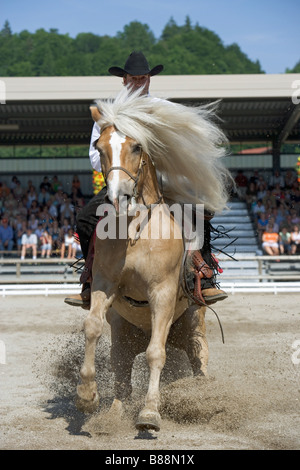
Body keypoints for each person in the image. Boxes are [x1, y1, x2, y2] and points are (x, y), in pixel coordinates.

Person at [64, 51, 228, 308]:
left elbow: (186, 145)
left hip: (163, 181)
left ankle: (203, 275)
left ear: (149, 79)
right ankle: (89, 280)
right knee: (85, 218)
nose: (138, 82)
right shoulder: (107, 114)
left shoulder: (164, 109)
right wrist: (116, 165)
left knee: (199, 211)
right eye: (133, 78)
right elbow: (95, 160)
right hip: (121, 182)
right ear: (124, 79)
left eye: (143, 78)